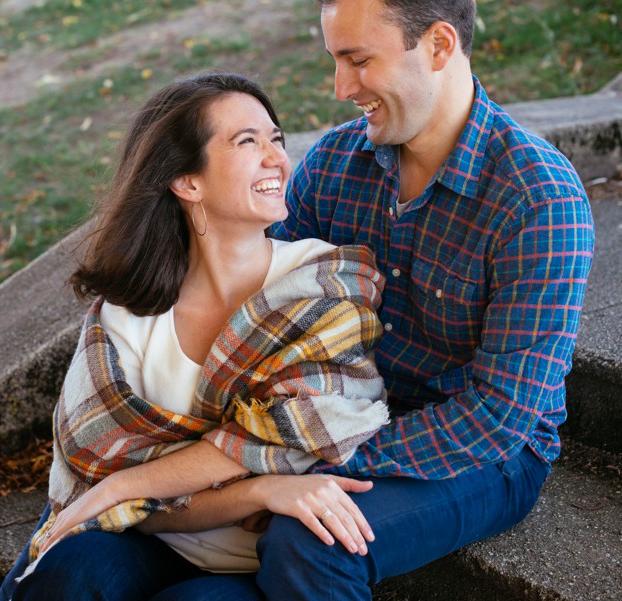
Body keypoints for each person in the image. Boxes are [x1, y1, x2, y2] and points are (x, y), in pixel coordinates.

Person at [0, 72, 392, 601]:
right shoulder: (129, 313)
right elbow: (109, 490)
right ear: (187, 182)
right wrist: (258, 487)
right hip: (151, 539)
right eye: (247, 142)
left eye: (275, 138)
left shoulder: (322, 284)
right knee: (67, 571)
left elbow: (310, 431)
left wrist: (127, 485)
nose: (277, 158)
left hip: (260, 561)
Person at [251, 0, 595, 599]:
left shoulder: (539, 201)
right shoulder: (334, 163)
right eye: (335, 60)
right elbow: (262, 303)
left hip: (492, 451)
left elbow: (498, 414)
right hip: (348, 408)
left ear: (438, 46)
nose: (340, 88)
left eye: (358, 60)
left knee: (311, 537)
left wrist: (310, 465)